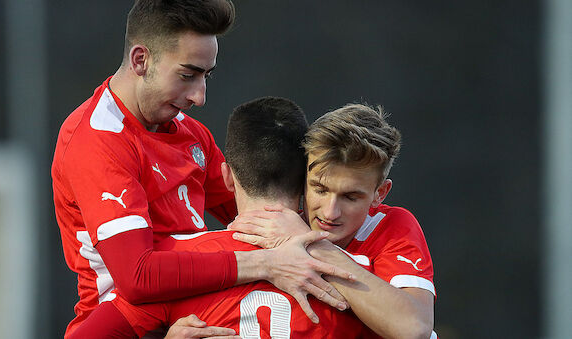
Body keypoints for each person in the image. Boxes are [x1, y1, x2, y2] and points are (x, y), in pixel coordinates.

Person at [51, 1, 351, 337]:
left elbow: (260, 214)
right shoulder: (97, 140)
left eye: (206, 76)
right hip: (129, 326)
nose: (200, 96)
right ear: (140, 60)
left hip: (199, 309)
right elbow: (137, 277)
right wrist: (267, 264)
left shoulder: (192, 134)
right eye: (188, 74)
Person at [70, 96, 369, 338]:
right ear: (307, 177)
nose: (198, 94)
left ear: (225, 176)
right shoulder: (360, 267)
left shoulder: (175, 269)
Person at [230, 103, 438, 338]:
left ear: (380, 193)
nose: (330, 213)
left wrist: (313, 245)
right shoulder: (272, 225)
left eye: (350, 197)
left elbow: (414, 329)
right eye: (319, 189)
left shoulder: (392, 225)